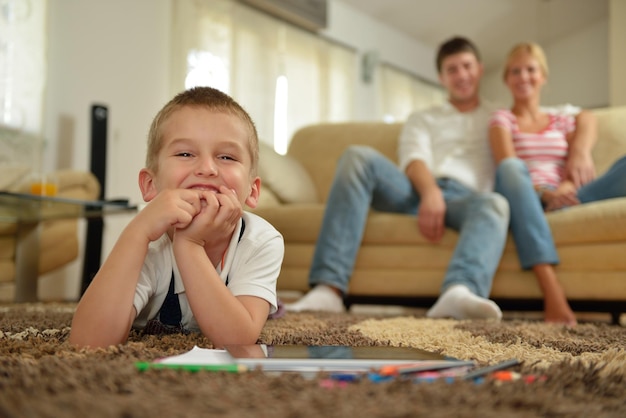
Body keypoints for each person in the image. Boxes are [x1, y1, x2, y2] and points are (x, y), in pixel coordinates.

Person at [286, 36, 510, 320]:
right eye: (452, 69)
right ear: (441, 77)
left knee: (496, 205)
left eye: (466, 66)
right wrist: (430, 193)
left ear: (479, 68)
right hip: (414, 190)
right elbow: (413, 157)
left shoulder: (499, 116)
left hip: (468, 201)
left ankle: (458, 292)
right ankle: (328, 290)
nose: (461, 75)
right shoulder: (423, 117)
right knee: (357, 156)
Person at [69, 87, 284, 348]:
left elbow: (237, 340)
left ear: (252, 191)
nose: (207, 169)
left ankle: (265, 300)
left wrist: (189, 244)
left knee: (257, 309)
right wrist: (137, 232)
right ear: (150, 184)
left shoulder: (261, 241)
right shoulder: (148, 243)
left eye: (226, 157)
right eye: (185, 154)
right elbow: (88, 342)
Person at [489, 42, 626, 326]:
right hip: (528, 198)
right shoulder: (502, 119)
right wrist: (545, 194)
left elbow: (586, 120)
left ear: (543, 77)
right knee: (512, 169)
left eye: (531, 69)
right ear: (506, 79)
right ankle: (552, 291)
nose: (524, 76)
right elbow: (507, 165)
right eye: (516, 71)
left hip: (568, 197)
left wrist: (570, 175)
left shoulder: (561, 120)